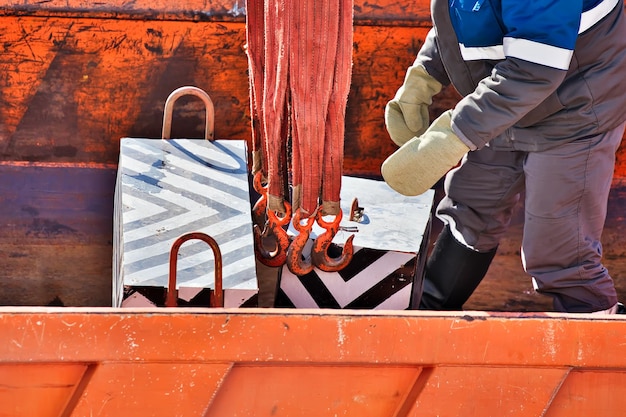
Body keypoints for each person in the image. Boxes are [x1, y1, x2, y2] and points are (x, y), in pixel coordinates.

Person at [381, 0, 626, 314]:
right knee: (471, 207)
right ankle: (427, 314)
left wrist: (454, 135)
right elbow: (465, 13)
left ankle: (597, 337)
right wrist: (424, 76)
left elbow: (534, 71)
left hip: (576, 107)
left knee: (560, 248)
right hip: (508, 96)